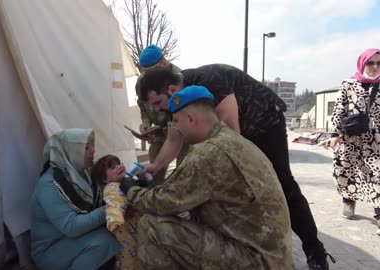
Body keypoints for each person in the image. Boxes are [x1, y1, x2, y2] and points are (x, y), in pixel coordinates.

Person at [138, 64, 333, 269]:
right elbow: (174, 138)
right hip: (232, 134)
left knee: (284, 185)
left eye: (158, 102)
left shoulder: (209, 79)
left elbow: (230, 139)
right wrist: (155, 165)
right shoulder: (179, 100)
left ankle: (315, 251)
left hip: (264, 122)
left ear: (170, 90)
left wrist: (194, 175)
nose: (158, 109)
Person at [120, 85, 293, 269]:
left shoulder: (207, 154)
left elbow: (162, 203)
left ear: (192, 119)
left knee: (151, 227)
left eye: (176, 121)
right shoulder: (232, 140)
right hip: (270, 254)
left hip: (255, 260)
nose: (175, 128)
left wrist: (131, 189)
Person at [30, 129, 120, 270]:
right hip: (52, 250)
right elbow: (71, 226)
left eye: (91, 145)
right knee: (104, 241)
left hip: (76, 239)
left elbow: (104, 195)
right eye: (86, 147)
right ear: (69, 151)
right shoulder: (49, 184)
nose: (93, 150)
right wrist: (111, 208)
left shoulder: (82, 173)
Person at [330, 48, 380, 234]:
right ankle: (349, 201)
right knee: (346, 170)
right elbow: (338, 110)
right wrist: (334, 134)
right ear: (362, 63)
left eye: (378, 63)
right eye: (370, 63)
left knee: (377, 175)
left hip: (375, 140)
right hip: (350, 138)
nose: (375, 67)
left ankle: (379, 214)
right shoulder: (348, 84)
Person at [136, 44, 188, 185]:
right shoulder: (143, 81)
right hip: (158, 135)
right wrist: (146, 124)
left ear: (163, 64)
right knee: (153, 173)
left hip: (182, 134)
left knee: (183, 172)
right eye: (144, 73)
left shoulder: (181, 81)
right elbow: (143, 104)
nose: (146, 77)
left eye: (150, 72)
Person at [91, 154, 144, 270]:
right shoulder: (111, 188)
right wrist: (114, 219)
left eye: (118, 163)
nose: (118, 167)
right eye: (112, 167)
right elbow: (113, 204)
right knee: (130, 254)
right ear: (105, 179)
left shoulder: (126, 180)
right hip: (123, 227)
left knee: (140, 249)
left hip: (135, 224)